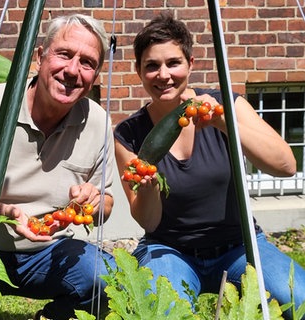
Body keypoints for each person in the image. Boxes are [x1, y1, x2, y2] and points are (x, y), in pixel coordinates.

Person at [113, 11, 305, 318]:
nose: (163, 74)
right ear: (138, 71)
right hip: (170, 249)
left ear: (190, 63)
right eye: (152, 66)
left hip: (239, 245)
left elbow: (285, 166)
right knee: (160, 311)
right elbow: (148, 222)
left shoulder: (226, 105)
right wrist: (148, 189)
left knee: (297, 298)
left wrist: (222, 121)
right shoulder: (129, 134)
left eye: (173, 62)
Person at [0, 14, 117, 320]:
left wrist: (94, 201)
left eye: (87, 62)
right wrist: (1, 211)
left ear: (95, 74)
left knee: (106, 278)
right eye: (64, 54)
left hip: (48, 255)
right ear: (39, 57)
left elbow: (105, 204)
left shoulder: (97, 122)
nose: (72, 70)